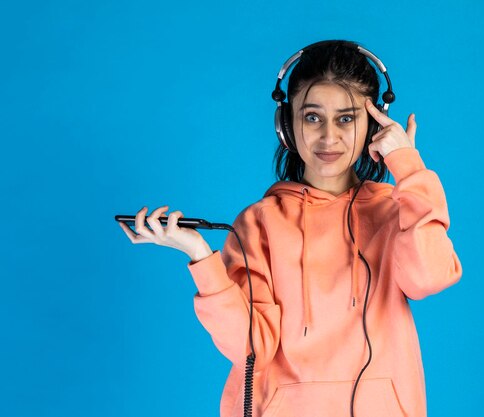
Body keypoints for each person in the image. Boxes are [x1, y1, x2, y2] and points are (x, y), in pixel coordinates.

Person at [119, 40, 463, 417]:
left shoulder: (394, 212)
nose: (328, 137)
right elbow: (252, 348)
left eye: (346, 118)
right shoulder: (259, 222)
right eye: (312, 117)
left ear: (373, 125)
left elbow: (428, 277)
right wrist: (201, 257)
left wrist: (409, 168)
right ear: (287, 125)